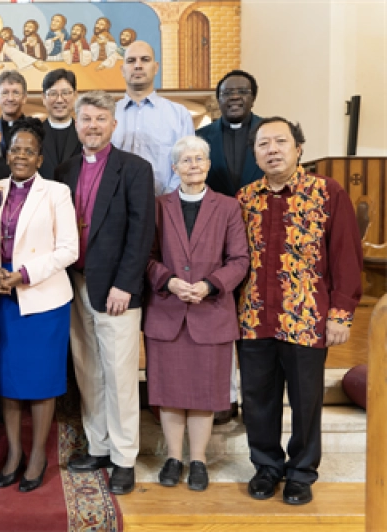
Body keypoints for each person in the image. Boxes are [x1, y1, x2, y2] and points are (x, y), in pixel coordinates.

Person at [237, 117, 363, 506]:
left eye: (280, 141)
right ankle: (266, 467)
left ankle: (301, 472)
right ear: (255, 154)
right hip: (254, 317)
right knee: (257, 398)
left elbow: (345, 255)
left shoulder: (327, 192)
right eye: (263, 144)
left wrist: (341, 313)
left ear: (299, 149)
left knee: (306, 400)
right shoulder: (244, 199)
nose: (272, 150)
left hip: (307, 317)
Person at [55, 91, 155, 495]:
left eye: (100, 119)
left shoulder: (135, 169)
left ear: (114, 124)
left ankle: (124, 457)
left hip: (115, 288)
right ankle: (98, 446)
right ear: (76, 124)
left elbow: (141, 232)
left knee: (119, 373)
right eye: (86, 119)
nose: (92, 126)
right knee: (88, 369)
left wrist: (126, 285)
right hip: (74, 283)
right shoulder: (65, 169)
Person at [144, 135, 249, 491]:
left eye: (199, 159)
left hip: (211, 311)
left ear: (208, 165)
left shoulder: (228, 207)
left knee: (205, 392)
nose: (193, 165)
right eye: (186, 160)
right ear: (174, 167)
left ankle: (199, 460)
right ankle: (174, 458)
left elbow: (240, 259)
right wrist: (169, 281)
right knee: (170, 391)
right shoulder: (159, 206)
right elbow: (146, 256)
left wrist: (210, 285)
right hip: (167, 311)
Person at [0, 117, 78, 492]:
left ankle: (37, 454)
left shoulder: (57, 192)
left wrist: (22, 274)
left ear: (40, 158)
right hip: (2, 298)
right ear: (6, 154)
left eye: (29, 151)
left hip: (43, 299)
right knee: (7, 380)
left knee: (42, 381)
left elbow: (68, 249)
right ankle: (13, 453)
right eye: (15, 149)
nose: (21, 156)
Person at [196, 69, 263, 425]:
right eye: (227, 92)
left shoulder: (268, 133)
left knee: (253, 328)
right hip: (215, 243)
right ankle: (224, 397)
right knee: (219, 322)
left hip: (262, 240)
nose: (235, 96)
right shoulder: (202, 137)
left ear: (253, 96)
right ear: (218, 99)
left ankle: (255, 402)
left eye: (242, 91)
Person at [110, 41, 194, 196]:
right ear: (122, 70)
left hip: (165, 203)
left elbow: (187, 163)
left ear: (156, 67)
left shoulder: (179, 114)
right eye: (131, 60)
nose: (138, 65)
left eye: (145, 59)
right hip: (116, 203)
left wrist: (166, 200)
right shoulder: (108, 115)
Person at [40, 69, 82, 179]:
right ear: (43, 98)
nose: (59, 100)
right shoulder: (34, 134)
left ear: (75, 96)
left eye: (65, 93)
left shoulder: (84, 134)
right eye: (53, 94)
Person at [0, 70, 28, 152]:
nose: (10, 98)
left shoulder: (36, 130)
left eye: (16, 93)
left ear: (24, 98)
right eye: (5, 93)